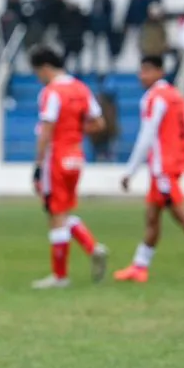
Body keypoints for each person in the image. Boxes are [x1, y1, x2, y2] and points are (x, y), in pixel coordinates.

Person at [114, 56, 184, 284]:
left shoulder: (153, 98)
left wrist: (130, 171)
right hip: (172, 165)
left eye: (146, 71)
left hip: (162, 168)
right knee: (152, 216)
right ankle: (140, 267)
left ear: (159, 72)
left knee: (180, 214)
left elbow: (147, 135)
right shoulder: (176, 96)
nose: (141, 76)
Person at [28, 45, 109, 289]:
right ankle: (92, 248)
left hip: (56, 158)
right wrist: (74, 130)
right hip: (76, 157)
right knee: (62, 211)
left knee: (55, 214)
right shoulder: (81, 88)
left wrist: (38, 164)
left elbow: (47, 129)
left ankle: (60, 276)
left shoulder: (51, 92)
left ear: (44, 68)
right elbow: (99, 123)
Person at [88, 0, 115, 74]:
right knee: (95, 48)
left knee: (106, 48)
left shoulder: (106, 0)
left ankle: (109, 67)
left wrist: (105, 24)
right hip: (96, 28)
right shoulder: (94, 0)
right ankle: (94, 67)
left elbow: (109, 14)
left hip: (105, 28)